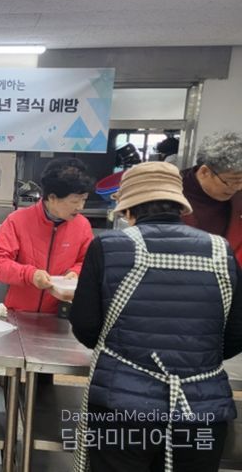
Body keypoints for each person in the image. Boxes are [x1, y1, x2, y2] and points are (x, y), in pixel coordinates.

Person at [69, 162, 242, 472]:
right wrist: (191, 360)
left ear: (128, 210)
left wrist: (125, 353)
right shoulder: (221, 251)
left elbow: (86, 326)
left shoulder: (109, 246)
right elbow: (236, 333)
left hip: (121, 408)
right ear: (179, 205)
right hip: (201, 410)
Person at [0, 158, 95, 313]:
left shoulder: (82, 226)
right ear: (52, 198)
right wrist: (30, 275)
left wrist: (75, 273)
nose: (80, 207)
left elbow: (87, 262)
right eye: (74, 201)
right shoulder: (18, 221)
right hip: (18, 313)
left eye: (84, 200)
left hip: (59, 314)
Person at [181, 132, 242, 265]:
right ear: (204, 172)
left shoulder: (238, 197)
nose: (238, 187)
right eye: (231, 181)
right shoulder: (170, 192)